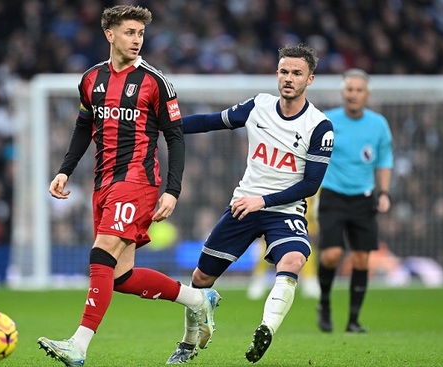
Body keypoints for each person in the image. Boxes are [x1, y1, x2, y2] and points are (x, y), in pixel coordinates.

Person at [36, 5, 220, 367]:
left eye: (140, 33)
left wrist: (173, 189)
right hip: (102, 183)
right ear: (110, 34)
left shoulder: (155, 81)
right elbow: (82, 128)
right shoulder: (91, 79)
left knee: (100, 254)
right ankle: (197, 300)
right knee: (120, 276)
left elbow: (175, 137)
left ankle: (79, 345)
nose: (137, 40)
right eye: (129, 32)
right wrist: (65, 169)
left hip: (137, 181)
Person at [167, 43, 334, 364]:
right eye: (284, 71)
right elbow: (211, 121)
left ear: (309, 79)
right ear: (276, 74)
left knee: (294, 259)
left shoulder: (319, 126)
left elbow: (311, 184)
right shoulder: (259, 106)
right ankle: (187, 344)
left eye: (297, 73)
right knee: (200, 279)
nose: (289, 78)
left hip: (283, 211)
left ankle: (266, 329)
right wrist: (164, 126)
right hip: (244, 206)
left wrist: (265, 201)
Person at [316, 68, 393, 333]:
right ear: (343, 92)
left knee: (362, 259)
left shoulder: (378, 124)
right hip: (333, 195)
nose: (354, 94)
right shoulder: (327, 120)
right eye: (350, 89)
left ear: (366, 94)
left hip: (363, 198)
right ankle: (324, 303)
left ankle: (353, 321)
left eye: (359, 90)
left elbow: (384, 161)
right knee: (332, 255)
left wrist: (383, 193)